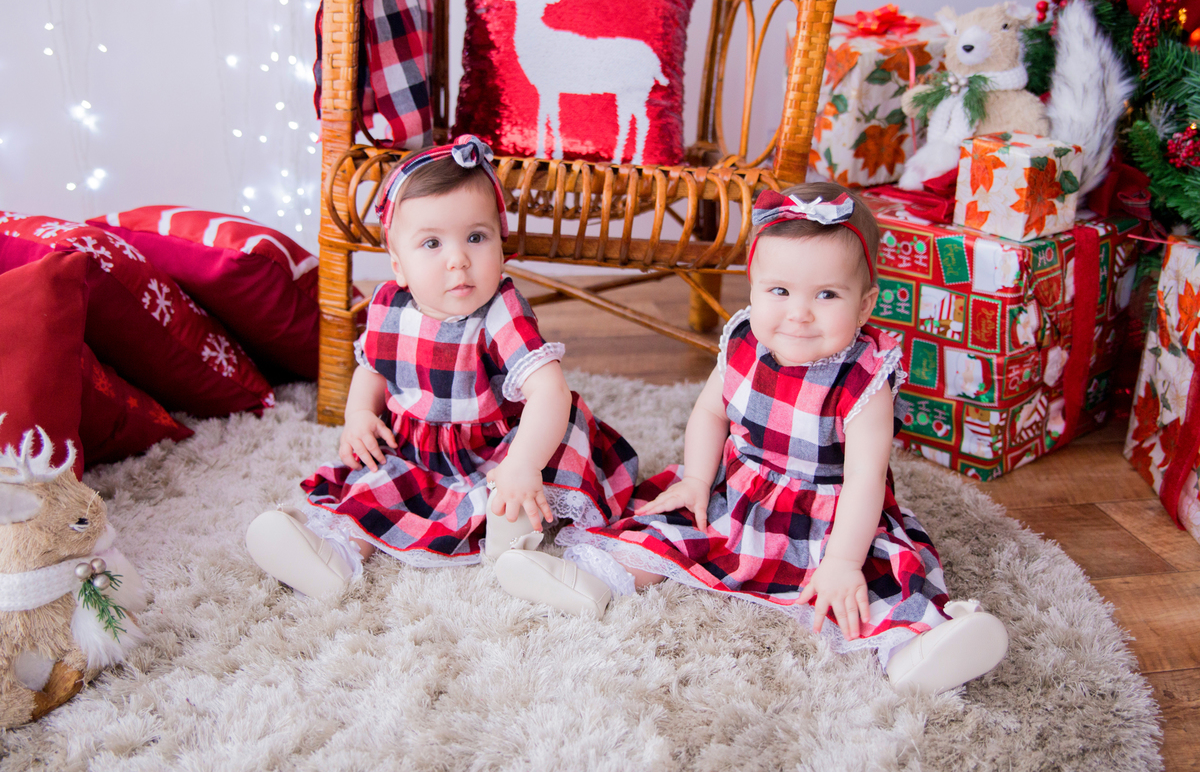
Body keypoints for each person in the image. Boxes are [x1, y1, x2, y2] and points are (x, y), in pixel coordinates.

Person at [496, 182, 1009, 695]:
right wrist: (698, 479)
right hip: (738, 493)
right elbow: (710, 411)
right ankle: (591, 578)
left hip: (831, 519)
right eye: (779, 291)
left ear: (864, 305)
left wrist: (843, 561)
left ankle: (915, 650)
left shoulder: (863, 379)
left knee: (867, 587)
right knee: (668, 531)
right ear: (754, 288)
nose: (799, 313)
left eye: (827, 295)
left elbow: (865, 478)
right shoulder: (744, 342)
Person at [245, 135, 638, 604]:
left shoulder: (502, 311)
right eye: (432, 243)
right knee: (377, 484)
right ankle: (337, 556)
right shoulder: (389, 305)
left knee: (542, 462)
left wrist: (523, 464)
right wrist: (359, 415)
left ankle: (522, 551)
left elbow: (549, 394)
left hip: (502, 446)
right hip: (421, 449)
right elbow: (373, 368)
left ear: (501, 245)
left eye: (476, 237)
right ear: (399, 266)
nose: (458, 260)